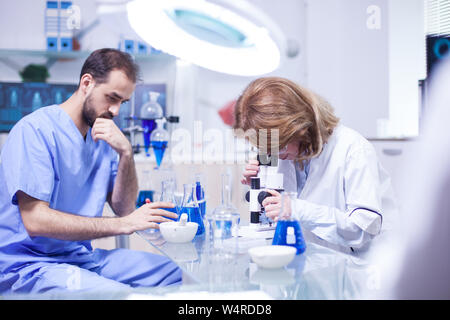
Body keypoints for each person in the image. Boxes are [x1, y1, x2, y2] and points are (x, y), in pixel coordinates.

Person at [0, 48, 182, 295]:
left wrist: (126, 154)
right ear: (87, 83)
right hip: (30, 265)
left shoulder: (101, 136)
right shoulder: (35, 131)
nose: (116, 111)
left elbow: (124, 208)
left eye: (123, 102)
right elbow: (36, 221)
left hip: (81, 257)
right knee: (120, 294)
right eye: (112, 98)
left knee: (177, 272)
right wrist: (122, 224)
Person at [234, 77, 398, 255]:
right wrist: (261, 186)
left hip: (361, 269)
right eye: (266, 148)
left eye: (278, 145)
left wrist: (296, 209)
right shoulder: (287, 154)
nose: (274, 154)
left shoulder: (353, 149)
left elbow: (363, 229)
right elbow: (283, 218)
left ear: (299, 128)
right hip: (314, 264)